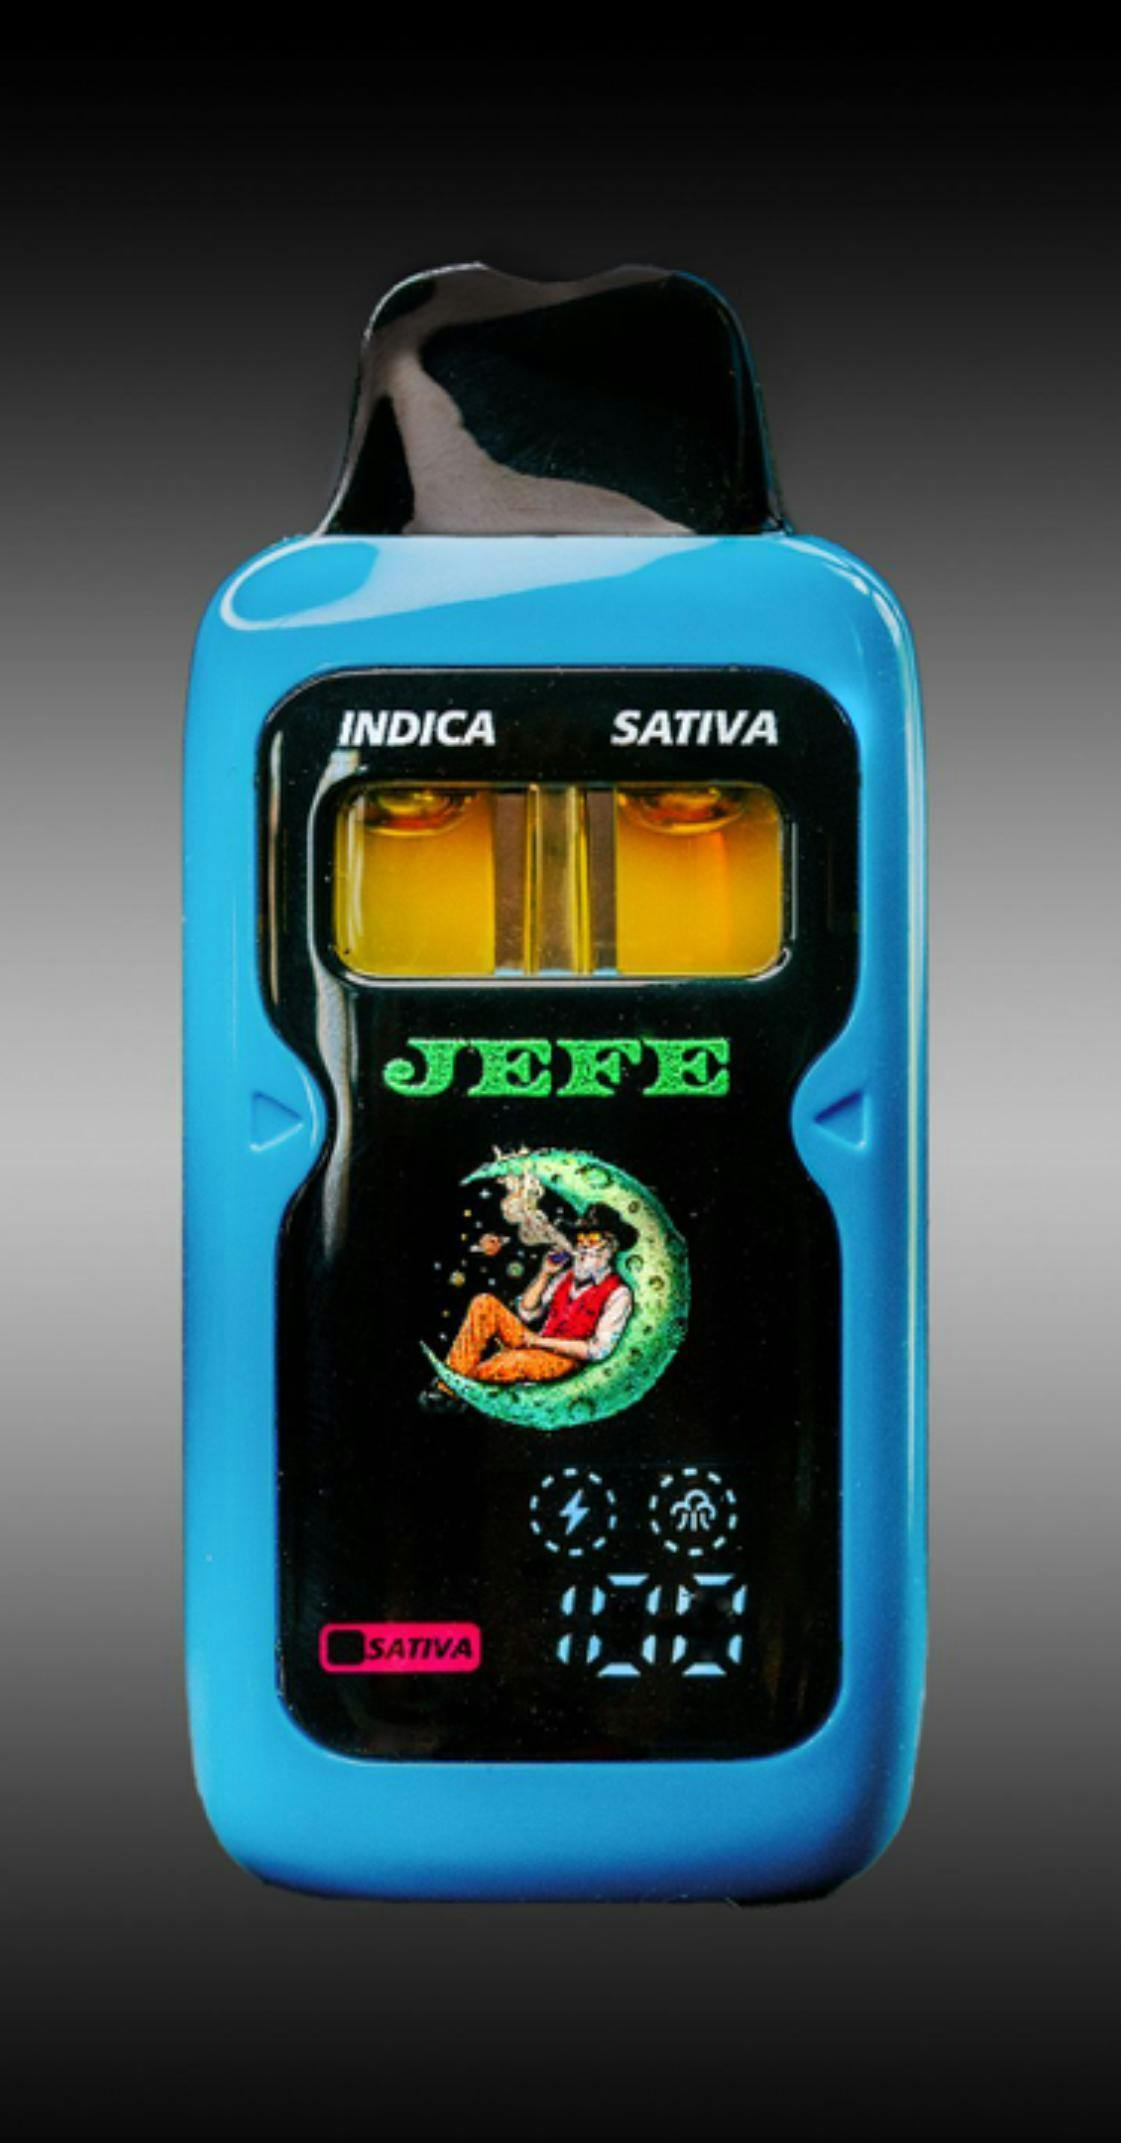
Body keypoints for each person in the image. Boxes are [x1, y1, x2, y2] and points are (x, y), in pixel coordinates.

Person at [422, 1203, 636, 1407]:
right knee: (484, 1303)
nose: (584, 1244)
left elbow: (597, 1350)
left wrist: (539, 1342)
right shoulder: (565, 1277)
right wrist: (545, 1273)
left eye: (593, 1237)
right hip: (537, 1343)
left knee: (509, 1362)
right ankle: (452, 1386)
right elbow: (527, 1312)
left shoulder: (619, 1293)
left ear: (611, 1244)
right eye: (581, 1237)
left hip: (565, 1359)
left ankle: (452, 1388)